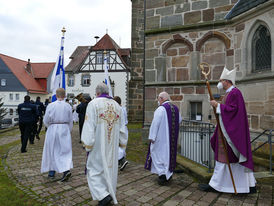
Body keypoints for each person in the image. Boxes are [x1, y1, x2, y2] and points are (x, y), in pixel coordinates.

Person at [198, 67, 256, 193]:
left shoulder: (235, 93)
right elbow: (228, 108)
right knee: (224, 159)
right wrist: (218, 104)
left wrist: (218, 106)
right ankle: (223, 184)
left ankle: (227, 185)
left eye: (221, 80)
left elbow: (233, 111)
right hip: (225, 131)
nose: (220, 82)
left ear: (227, 81)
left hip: (231, 134)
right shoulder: (229, 93)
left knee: (228, 158)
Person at [81, 83, 127, 206]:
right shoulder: (117, 106)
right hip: (112, 145)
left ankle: (103, 195)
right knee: (110, 169)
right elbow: (123, 128)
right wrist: (122, 143)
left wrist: (87, 143)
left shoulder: (93, 104)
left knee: (94, 169)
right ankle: (109, 192)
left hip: (98, 143)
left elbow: (89, 125)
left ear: (97, 93)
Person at [145, 92, 182, 186]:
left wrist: (152, 137)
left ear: (161, 99)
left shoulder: (160, 109)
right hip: (171, 139)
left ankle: (162, 175)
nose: (158, 101)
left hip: (161, 138)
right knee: (168, 155)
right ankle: (168, 173)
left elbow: (155, 124)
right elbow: (180, 120)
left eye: (158, 99)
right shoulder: (175, 108)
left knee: (158, 154)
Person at [41, 88, 73, 182]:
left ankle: (51, 172)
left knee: (52, 149)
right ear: (64, 95)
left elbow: (46, 119)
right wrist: (68, 130)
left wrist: (49, 126)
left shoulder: (51, 105)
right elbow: (71, 120)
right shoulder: (68, 106)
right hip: (64, 128)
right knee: (64, 150)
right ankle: (66, 170)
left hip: (53, 128)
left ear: (56, 95)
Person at [113, 96, 129, 171]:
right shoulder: (123, 109)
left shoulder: (118, 109)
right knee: (122, 145)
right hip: (125, 128)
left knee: (117, 145)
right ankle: (121, 161)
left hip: (119, 128)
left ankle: (122, 160)